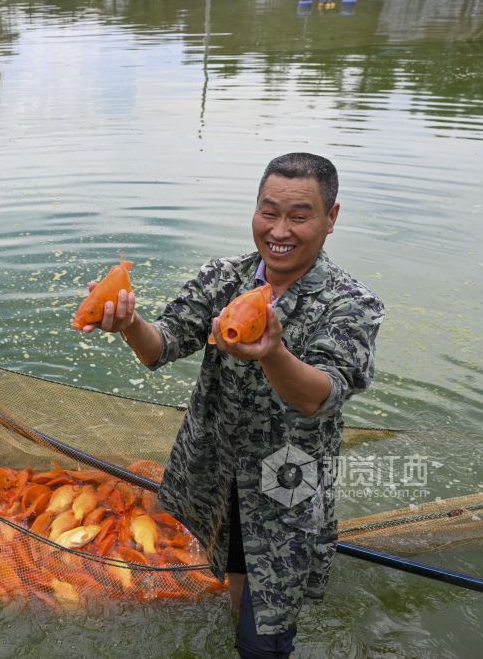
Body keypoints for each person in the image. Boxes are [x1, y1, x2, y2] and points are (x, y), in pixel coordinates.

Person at [80, 153, 384, 657]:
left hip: (289, 481)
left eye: (300, 215)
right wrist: (129, 323)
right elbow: (163, 346)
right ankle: (244, 607)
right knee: (237, 566)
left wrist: (274, 353)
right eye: (269, 212)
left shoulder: (351, 302)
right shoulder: (222, 277)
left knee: (265, 637)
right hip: (220, 468)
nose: (279, 230)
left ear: (331, 218)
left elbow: (323, 394)